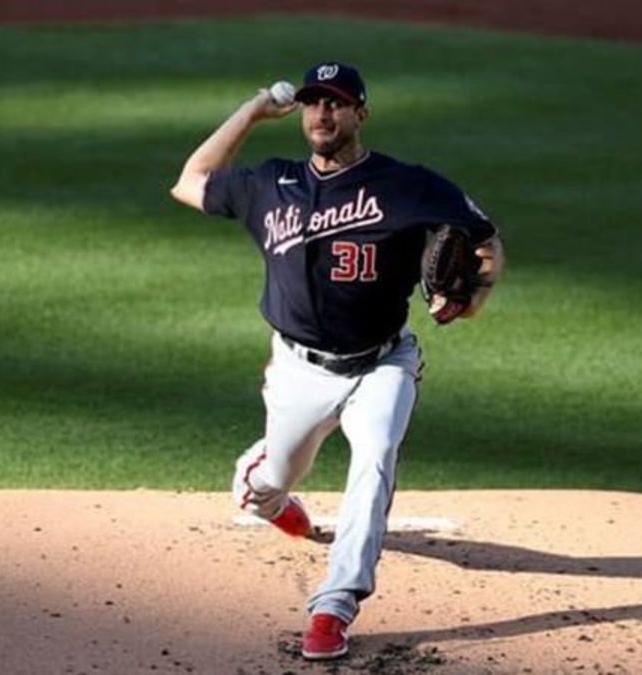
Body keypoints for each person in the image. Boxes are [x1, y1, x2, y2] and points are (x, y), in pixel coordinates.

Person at [169, 61, 504, 660]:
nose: (323, 113)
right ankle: (263, 487)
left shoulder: (406, 185)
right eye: (313, 103)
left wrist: (472, 298)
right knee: (274, 481)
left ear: (360, 114)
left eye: (337, 103)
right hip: (299, 369)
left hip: (383, 363)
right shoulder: (268, 185)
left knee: (374, 459)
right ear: (301, 112)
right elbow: (189, 180)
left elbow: (484, 239)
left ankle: (334, 605)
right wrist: (250, 111)